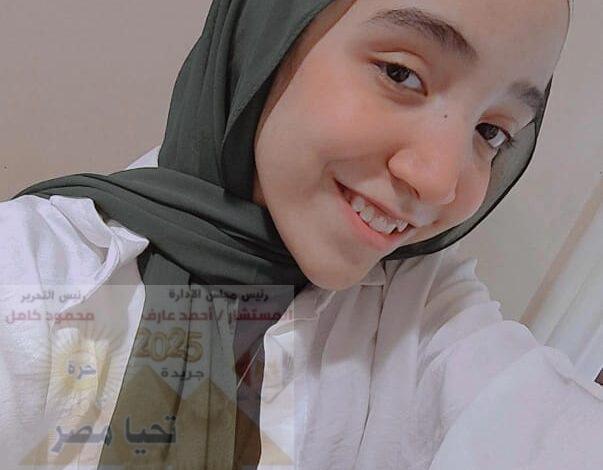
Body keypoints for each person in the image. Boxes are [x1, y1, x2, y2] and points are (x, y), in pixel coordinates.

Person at [1, 0, 601, 469]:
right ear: (268, 30)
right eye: (401, 73)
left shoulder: (417, 311)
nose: (440, 182)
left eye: (492, 132)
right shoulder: (39, 278)